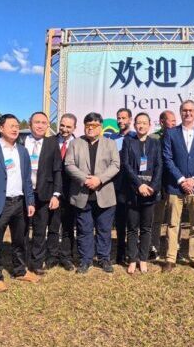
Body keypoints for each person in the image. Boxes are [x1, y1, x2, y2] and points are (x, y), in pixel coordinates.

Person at [0, 114, 39, 291]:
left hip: (20, 203)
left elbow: (27, 179)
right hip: (0, 204)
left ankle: (20, 271)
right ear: (1, 129)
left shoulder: (22, 151)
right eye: (11, 126)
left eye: (16, 126)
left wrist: (30, 201)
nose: (15, 129)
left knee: (20, 240)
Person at [65, 112, 120, 274]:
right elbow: (69, 164)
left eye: (94, 125)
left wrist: (99, 179)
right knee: (84, 229)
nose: (90, 128)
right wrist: (85, 179)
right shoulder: (75, 143)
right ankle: (85, 260)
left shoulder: (110, 144)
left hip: (104, 193)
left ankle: (104, 258)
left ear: (101, 127)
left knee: (104, 229)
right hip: (82, 194)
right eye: (87, 125)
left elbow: (116, 165)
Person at [161, 100, 194, 272]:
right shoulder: (171, 133)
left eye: (191, 110)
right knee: (173, 224)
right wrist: (182, 180)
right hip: (176, 187)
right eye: (184, 110)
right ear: (180, 112)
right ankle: (170, 258)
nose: (187, 113)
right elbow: (167, 158)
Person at [120, 113, 162, 274]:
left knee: (146, 228)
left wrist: (151, 186)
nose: (141, 126)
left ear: (150, 125)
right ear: (134, 125)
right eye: (138, 123)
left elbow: (159, 166)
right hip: (133, 191)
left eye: (144, 123)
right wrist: (139, 185)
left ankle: (143, 259)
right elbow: (126, 165)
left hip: (150, 192)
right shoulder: (128, 142)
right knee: (132, 228)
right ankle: (132, 259)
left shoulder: (155, 143)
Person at [24, 112, 63, 275]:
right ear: (29, 124)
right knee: (22, 229)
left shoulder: (52, 144)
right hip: (23, 193)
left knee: (40, 230)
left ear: (48, 126)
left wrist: (56, 194)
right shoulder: (20, 141)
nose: (40, 125)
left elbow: (57, 170)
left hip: (44, 193)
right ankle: (22, 260)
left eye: (43, 123)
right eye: (37, 122)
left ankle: (37, 263)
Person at [149, 109, 176, 260]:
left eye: (174, 121)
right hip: (158, 183)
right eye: (170, 121)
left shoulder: (178, 135)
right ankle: (154, 246)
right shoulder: (154, 138)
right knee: (156, 217)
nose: (173, 123)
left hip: (174, 182)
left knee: (174, 217)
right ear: (161, 122)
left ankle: (174, 246)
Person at [54, 113, 78, 270]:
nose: (64, 129)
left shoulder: (80, 144)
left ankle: (66, 256)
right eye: (62, 125)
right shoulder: (50, 142)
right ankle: (51, 256)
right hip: (53, 191)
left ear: (74, 128)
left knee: (69, 226)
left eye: (68, 126)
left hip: (72, 191)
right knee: (53, 225)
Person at [111, 108, 135, 265]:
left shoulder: (136, 137)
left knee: (133, 222)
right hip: (117, 185)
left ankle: (133, 252)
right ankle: (120, 254)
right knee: (120, 222)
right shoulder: (112, 138)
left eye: (124, 118)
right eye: (118, 118)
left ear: (130, 119)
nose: (120, 121)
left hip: (134, 185)